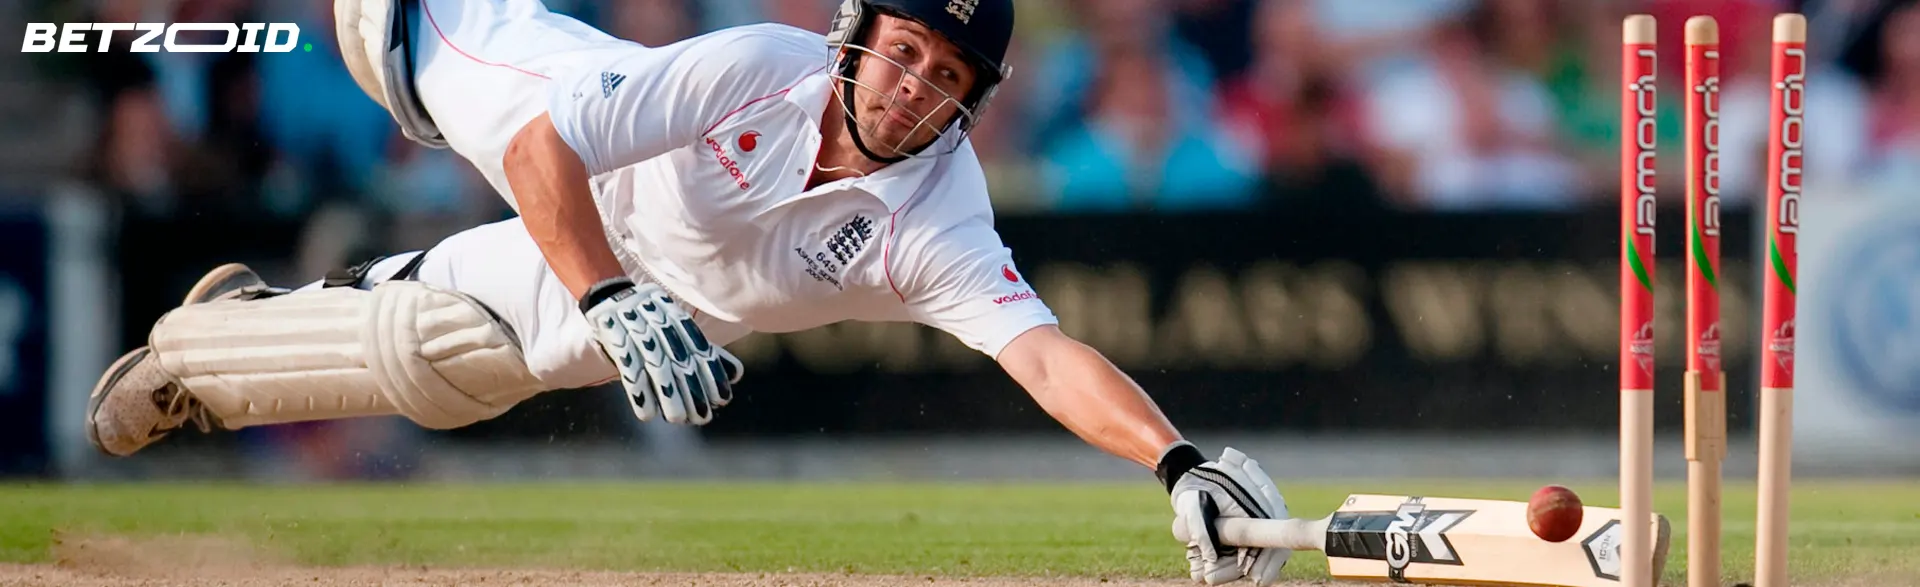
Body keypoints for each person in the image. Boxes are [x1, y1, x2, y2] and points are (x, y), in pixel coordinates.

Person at [84, 0, 1290, 584]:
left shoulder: (940, 213)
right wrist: (608, 294)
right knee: (388, 36)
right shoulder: (761, 66)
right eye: (904, 51)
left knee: (439, 362)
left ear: (970, 103)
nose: (911, 88)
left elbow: (1040, 351)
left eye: (946, 76)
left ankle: (212, 347)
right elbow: (541, 152)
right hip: (531, 86)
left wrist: (1177, 462)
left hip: (642, 284)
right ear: (858, 34)